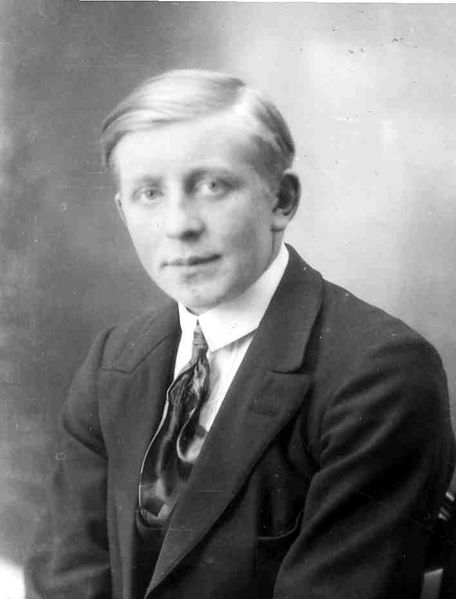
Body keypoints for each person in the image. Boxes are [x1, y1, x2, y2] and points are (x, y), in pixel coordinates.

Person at [25, 69, 455, 599]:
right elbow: (66, 578)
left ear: (282, 200)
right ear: (123, 211)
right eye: (149, 193)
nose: (179, 225)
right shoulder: (114, 360)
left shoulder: (379, 374)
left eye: (213, 186)